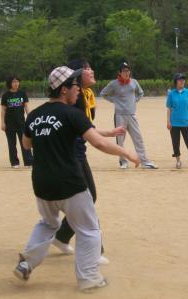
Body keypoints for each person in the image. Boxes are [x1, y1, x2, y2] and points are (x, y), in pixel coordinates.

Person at [13, 66, 140, 292]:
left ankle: (26, 263)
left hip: (42, 184)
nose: (78, 91)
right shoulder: (72, 114)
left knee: (48, 223)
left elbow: (26, 144)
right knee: (89, 229)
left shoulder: (34, 115)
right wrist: (127, 153)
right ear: (63, 90)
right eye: (75, 87)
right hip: (70, 183)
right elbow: (98, 143)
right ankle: (88, 278)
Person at [52, 59, 122, 265]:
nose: (91, 71)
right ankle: (94, 249)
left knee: (88, 198)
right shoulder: (76, 98)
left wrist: (110, 132)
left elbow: (86, 127)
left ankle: (62, 236)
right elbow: (84, 130)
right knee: (86, 199)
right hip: (71, 154)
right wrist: (123, 151)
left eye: (91, 66)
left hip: (78, 153)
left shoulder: (84, 95)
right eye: (87, 68)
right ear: (75, 75)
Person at [100, 62, 158, 169]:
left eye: (128, 70)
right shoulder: (114, 84)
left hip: (132, 115)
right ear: (119, 72)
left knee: (138, 138)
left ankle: (144, 161)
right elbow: (103, 94)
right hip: (119, 115)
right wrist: (114, 101)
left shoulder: (134, 82)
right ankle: (123, 162)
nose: (127, 73)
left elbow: (141, 93)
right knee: (120, 140)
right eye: (124, 71)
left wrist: (135, 100)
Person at [0, 76, 33, 168]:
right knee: (12, 144)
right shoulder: (6, 95)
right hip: (9, 124)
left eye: (17, 81)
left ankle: (28, 162)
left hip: (21, 123)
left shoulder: (22, 94)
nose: (16, 83)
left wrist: (29, 118)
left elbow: (26, 107)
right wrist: (2, 123)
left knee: (25, 143)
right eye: (14, 82)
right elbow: (3, 110)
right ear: (10, 83)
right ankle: (15, 163)